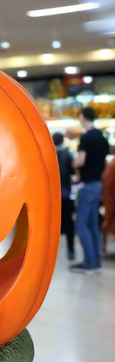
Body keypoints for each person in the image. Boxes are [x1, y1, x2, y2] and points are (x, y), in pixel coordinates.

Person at [70, 107, 109, 274]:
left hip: (86, 186)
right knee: (93, 225)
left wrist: (72, 164)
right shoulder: (102, 137)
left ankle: (88, 263)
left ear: (82, 116)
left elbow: (80, 161)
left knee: (81, 225)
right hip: (97, 184)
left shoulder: (86, 138)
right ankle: (96, 262)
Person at [52, 132, 75, 260]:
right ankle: (71, 250)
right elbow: (72, 172)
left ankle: (51, 251)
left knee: (53, 224)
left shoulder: (49, 155)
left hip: (54, 195)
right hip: (66, 193)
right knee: (69, 222)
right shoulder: (68, 155)